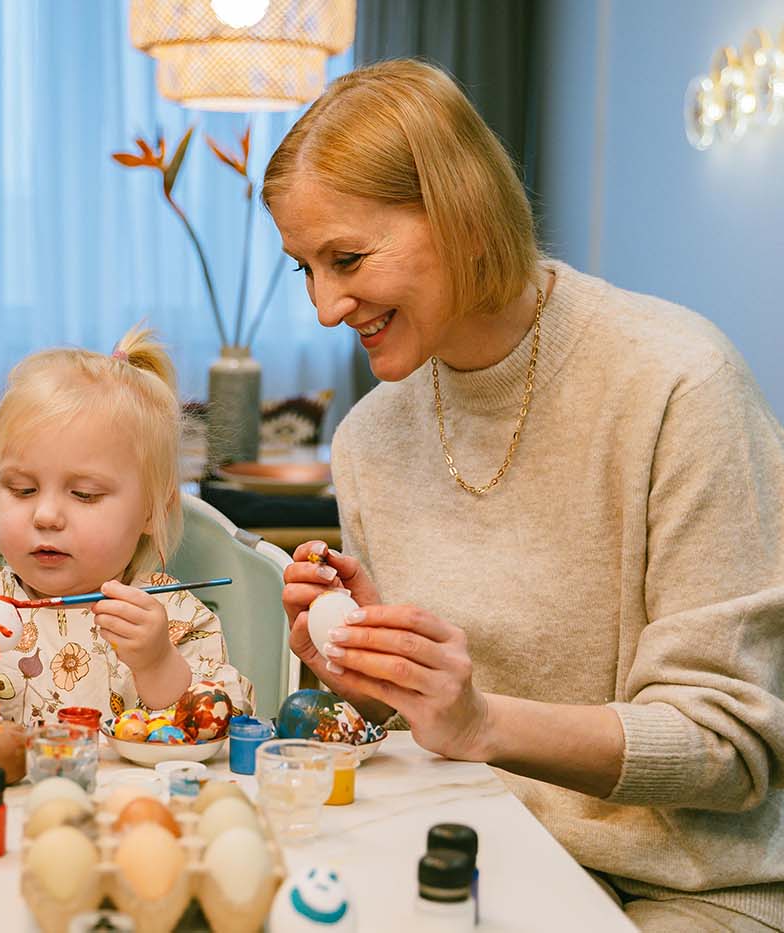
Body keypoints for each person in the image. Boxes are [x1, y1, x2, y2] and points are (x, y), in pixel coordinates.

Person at [267, 60, 784, 931]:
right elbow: (428, 726)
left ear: (462, 212)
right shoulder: (367, 438)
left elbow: (729, 750)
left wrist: (479, 721)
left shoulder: (679, 383)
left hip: (679, 889)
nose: (324, 306)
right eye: (304, 269)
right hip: (465, 848)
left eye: (347, 259)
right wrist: (366, 676)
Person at [0, 328, 254, 723]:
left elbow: (216, 724)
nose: (46, 516)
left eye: (84, 494)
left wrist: (157, 664)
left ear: (153, 512)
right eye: (22, 489)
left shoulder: (173, 615)